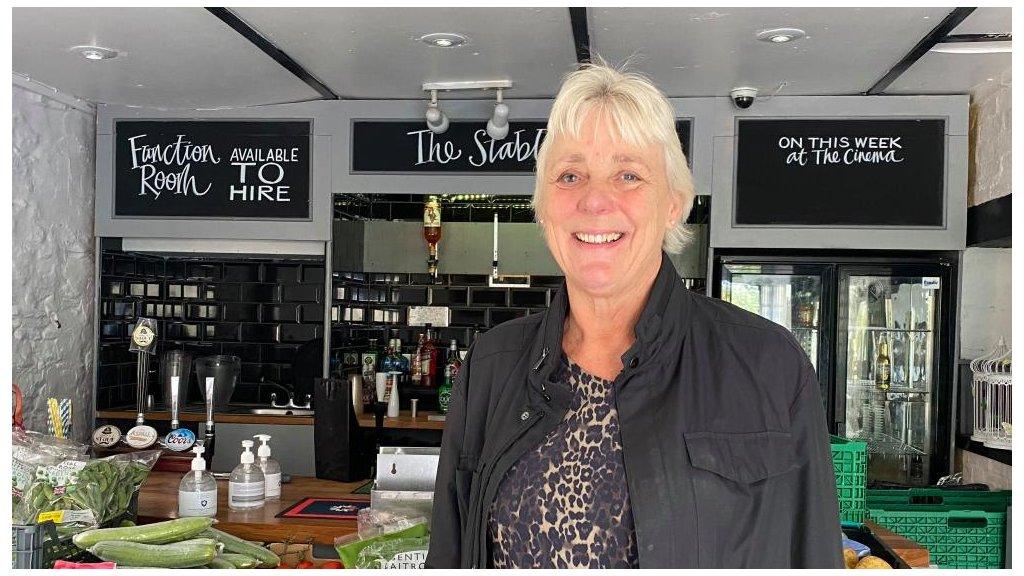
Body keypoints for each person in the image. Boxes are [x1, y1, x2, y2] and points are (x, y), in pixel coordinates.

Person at [425, 59, 843, 569]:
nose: (595, 200)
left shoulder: (768, 364)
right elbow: (450, 550)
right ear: (543, 206)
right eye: (570, 174)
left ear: (673, 202)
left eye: (628, 175)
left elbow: (814, 553)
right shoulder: (493, 364)